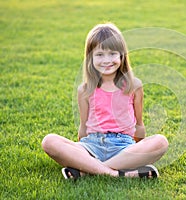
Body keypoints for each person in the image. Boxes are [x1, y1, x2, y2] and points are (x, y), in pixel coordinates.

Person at [41, 23, 169, 180]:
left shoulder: (134, 86)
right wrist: (80, 152)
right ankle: (117, 173)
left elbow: (139, 124)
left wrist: (138, 151)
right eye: (99, 54)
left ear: (122, 56)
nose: (106, 60)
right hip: (92, 145)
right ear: (90, 58)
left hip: (123, 146)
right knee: (49, 141)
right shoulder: (85, 89)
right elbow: (83, 128)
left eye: (112, 54)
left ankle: (88, 168)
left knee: (161, 142)